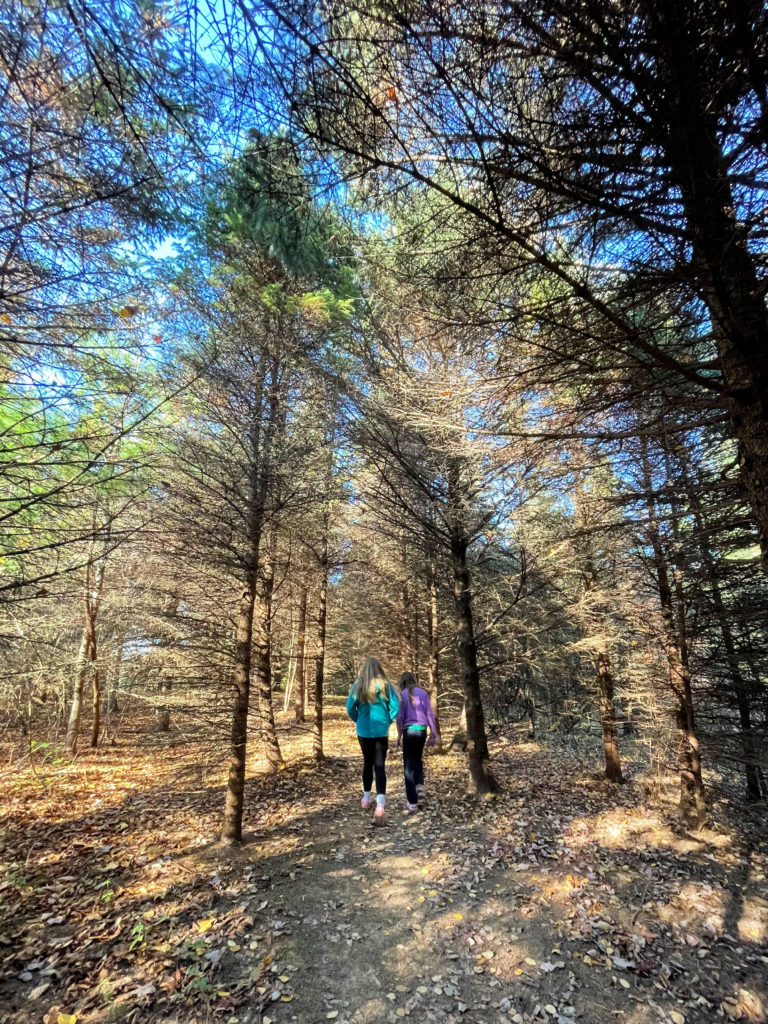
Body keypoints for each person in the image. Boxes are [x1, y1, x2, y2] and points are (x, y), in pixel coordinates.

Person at [346, 657, 400, 824]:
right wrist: (388, 721)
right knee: (380, 766)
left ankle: (367, 799)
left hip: (364, 731)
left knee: (367, 763)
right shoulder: (386, 685)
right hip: (381, 731)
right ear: (379, 668)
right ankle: (380, 805)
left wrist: (358, 720)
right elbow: (395, 707)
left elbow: (350, 707)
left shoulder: (358, 685)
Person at [395, 672, 441, 811]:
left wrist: (399, 735)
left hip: (409, 731)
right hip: (422, 731)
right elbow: (429, 714)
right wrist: (434, 733)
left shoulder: (401, 695)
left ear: (402, 683)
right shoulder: (422, 693)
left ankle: (412, 802)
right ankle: (420, 786)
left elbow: (400, 717)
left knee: (408, 766)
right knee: (417, 759)